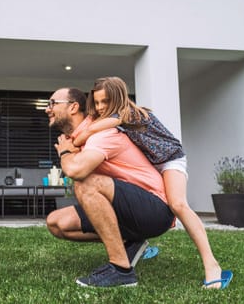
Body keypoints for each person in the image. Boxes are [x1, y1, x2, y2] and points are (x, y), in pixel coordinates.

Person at [72, 76, 232, 289]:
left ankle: (212, 266)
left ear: (118, 98)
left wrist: (82, 133)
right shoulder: (110, 116)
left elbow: (86, 134)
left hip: (169, 160)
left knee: (177, 204)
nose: (100, 107)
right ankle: (136, 243)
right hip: (149, 164)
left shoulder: (127, 113)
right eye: (97, 102)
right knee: (131, 199)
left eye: (105, 102)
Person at [45, 87, 175, 287]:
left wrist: (65, 153)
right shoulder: (78, 139)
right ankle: (130, 244)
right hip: (125, 206)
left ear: (73, 107)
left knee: (86, 183)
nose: (47, 109)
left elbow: (76, 171)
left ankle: (121, 270)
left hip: (154, 209)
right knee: (56, 222)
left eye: (52, 103)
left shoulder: (101, 134)